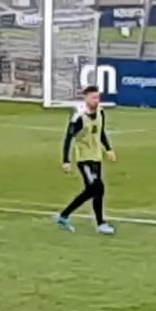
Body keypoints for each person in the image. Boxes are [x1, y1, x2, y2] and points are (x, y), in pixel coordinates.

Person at [55, 84, 117, 235]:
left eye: (98, 97)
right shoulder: (79, 117)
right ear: (86, 98)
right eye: (93, 97)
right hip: (84, 159)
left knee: (93, 190)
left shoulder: (100, 112)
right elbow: (68, 138)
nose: (97, 100)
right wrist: (66, 160)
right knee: (97, 187)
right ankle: (101, 223)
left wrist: (108, 149)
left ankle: (64, 215)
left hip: (96, 157)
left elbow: (100, 132)